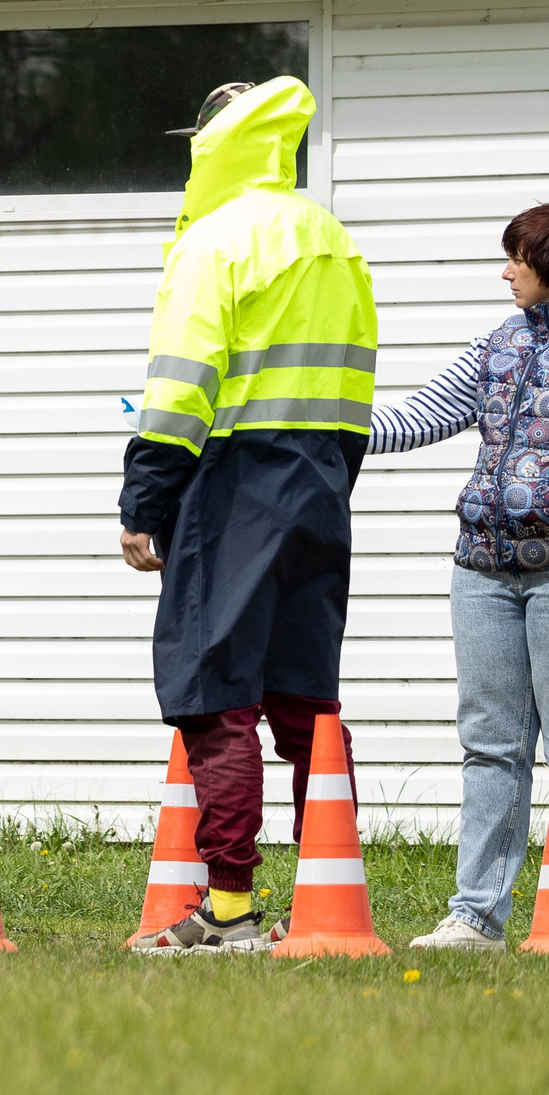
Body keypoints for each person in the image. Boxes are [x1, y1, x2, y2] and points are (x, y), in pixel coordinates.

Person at [118, 77, 379, 955]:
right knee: (307, 700)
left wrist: (144, 501)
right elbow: (353, 382)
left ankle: (228, 908)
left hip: (232, 485)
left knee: (213, 690)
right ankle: (326, 903)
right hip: (321, 484)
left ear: (213, 142)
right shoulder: (333, 240)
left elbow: (181, 387)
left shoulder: (214, 240)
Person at [363, 203, 549, 950]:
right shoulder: (498, 344)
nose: (506, 272)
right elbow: (417, 417)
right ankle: (476, 916)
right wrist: (317, 423)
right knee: (491, 742)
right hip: (484, 573)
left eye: (517, 260)